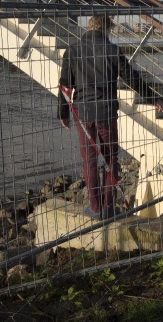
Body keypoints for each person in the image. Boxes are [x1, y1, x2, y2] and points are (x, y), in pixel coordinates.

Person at [58, 15, 157, 220]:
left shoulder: (73, 50)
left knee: (90, 160)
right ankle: (109, 207)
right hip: (106, 112)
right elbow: (132, 78)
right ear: (107, 29)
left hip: (83, 112)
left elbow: (65, 85)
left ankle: (95, 208)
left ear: (90, 27)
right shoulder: (113, 50)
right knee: (111, 158)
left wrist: (63, 113)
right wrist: (151, 97)